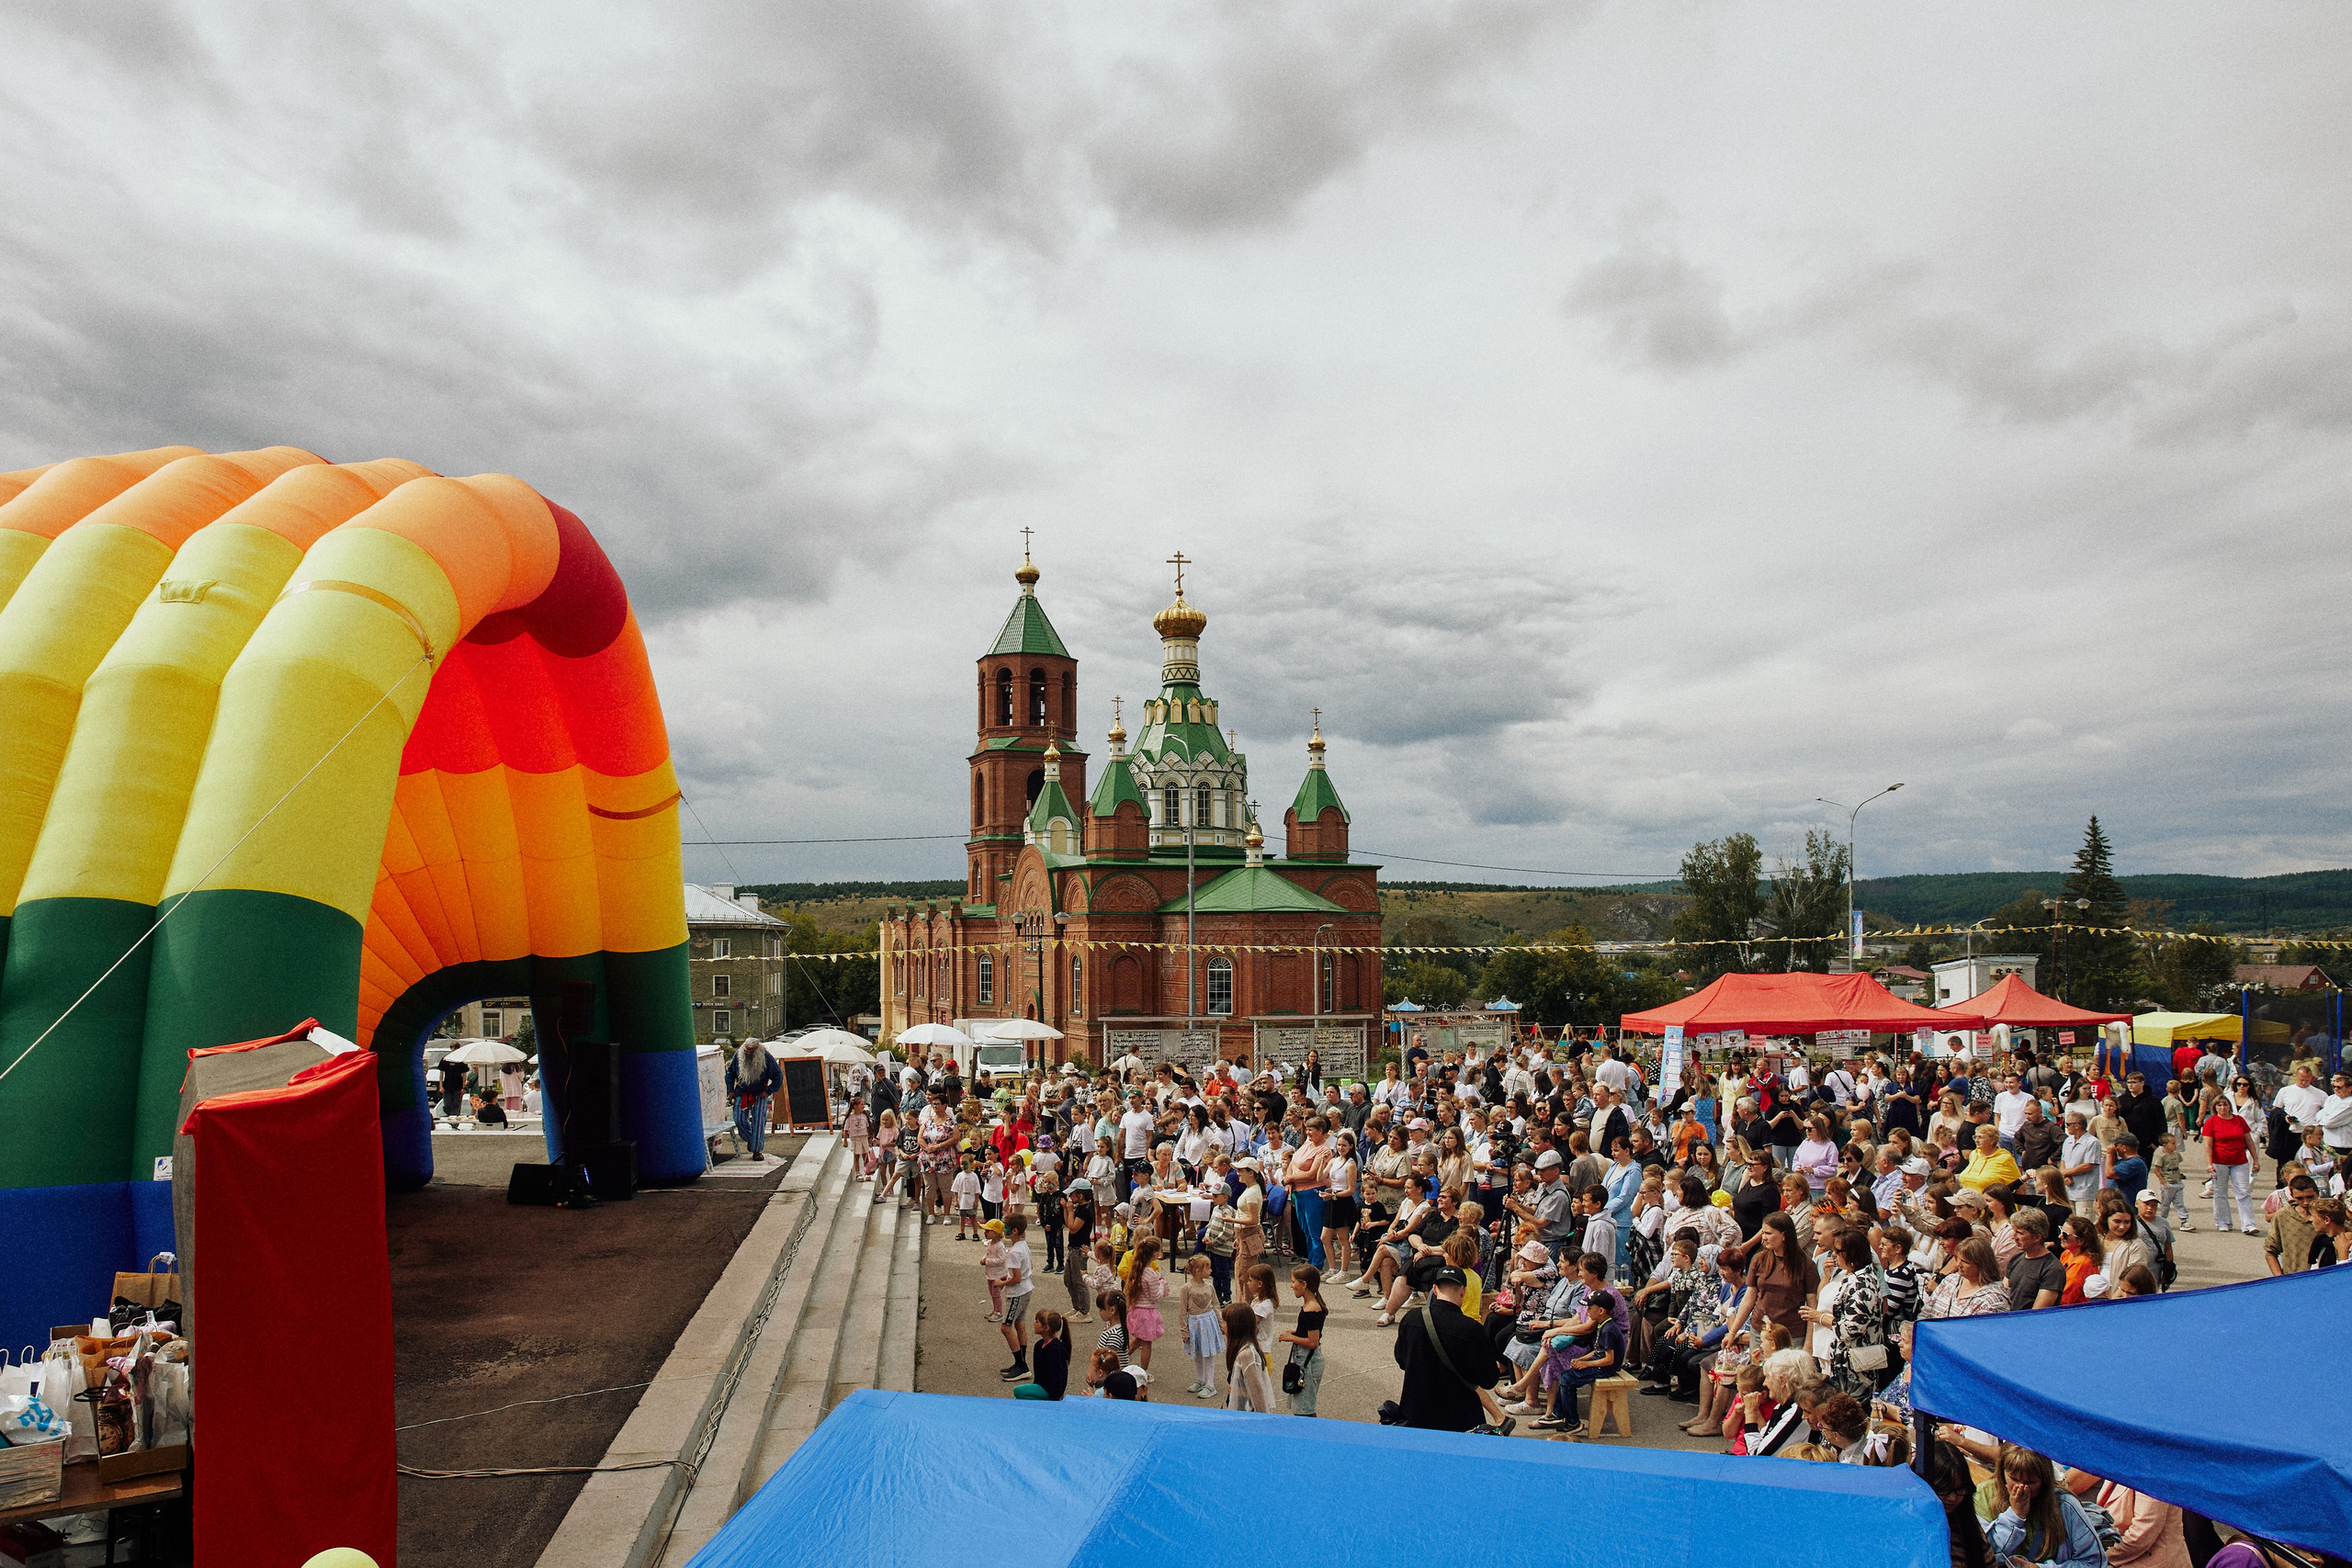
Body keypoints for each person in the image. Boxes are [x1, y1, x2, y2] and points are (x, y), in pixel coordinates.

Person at [1391, 1265, 1498, 1432]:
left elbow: (1401, 1360)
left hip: (1416, 1414)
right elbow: (1489, 1379)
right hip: (1460, 1421)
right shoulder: (1472, 1330)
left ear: (1435, 1289)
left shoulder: (1412, 1318)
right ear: (1463, 1291)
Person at [1984, 1444, 2107, 1568]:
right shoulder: (1984, 1496)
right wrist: (2015, 1516)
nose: (2021, 1487)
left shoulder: (2065, 1505)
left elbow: (2094, 1562)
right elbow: (1985, 1557)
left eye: (2030, 1482)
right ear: (2002, 1472)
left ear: (2044, 1480)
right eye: (2014, 1479)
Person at [2201, 1094, 2256, 1235]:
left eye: (2225, 1105)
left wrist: (2255, 1160)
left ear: (2229, 1106)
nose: (2222, 1108)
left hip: (2240, 1161)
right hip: (2219, 1162)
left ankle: (2249, 1224)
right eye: (2219, 1105)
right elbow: (2208, 1145)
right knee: (2220, 1193)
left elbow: (2249, 1141)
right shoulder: (2211, 1122)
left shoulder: (2239, 1120)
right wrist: (2209, 1164)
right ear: (2215, 1107)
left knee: (2243, 1192)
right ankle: (2223, 1222)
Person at [1279, 1264, 1329, 1416]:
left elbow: (1312, 1342)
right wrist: (1297, 1332)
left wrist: (1290, 1337)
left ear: (1304, 1284)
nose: (1291, 1285)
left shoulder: (1311, 1309)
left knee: (1305, 1408)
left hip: (1308, 1361)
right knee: (1301, 1405)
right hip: (1305, 1358)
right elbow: (1310, 1331)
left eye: (1294, 1281)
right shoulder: (1311, 1306)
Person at [725, 1039, 781, 1159]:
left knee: (759, 1121)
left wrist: (768, 1091)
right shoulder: (739, 1055)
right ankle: (753, 1140)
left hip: (760, 1093)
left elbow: (778, 1076)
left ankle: (756, 1151)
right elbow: (730, 1073)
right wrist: (731, 1090)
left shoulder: (766, 1057)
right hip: (742, 1092)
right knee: (739, 1119)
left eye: (751, 1052)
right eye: (747, 1052)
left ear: (757, 1049)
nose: (748, 1054)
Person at [996, 1215, 1035, 1382]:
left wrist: (1002, 1282)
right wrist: (1009, 1275)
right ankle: (1021, 1362)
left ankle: (1021, 1366)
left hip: (1017, 1293)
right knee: (1019, 1324)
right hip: (1026, 1289)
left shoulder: (1013, 1252)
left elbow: (1017, 1278)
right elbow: (1023, 1269)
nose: (1003, 1230)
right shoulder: (1022, 1245)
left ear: (1014, 1231)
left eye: (1006, 1227)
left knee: (1006, 1327)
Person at [1179, 1254, 1225, 1399]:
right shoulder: (1186, 1288)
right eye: (1207, 1268)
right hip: (1195, 1324)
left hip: (1209, 1323)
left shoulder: (1210, 1287)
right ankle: (1201, 1379)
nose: (1210, 1270)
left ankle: (1210, 1384)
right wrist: (1184, 1330)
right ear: (1198, 1271)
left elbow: (1216, 1306)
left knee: (1208, 1353)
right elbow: (1182, 1311)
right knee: (1198, 1352)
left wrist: (1221, 1323)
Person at [2002, 1209, 2064, 1311]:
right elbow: (2003, 1295)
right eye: (2014, 1232)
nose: (2014, 1237)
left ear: (2037, 1238)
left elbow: (2038, 1312)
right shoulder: (2016, 1259)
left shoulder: (2052, 1269)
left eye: (2020, 1233)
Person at [1222, 1302, 1277, 1412]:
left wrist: (1263, 1419)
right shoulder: (1239, 1350)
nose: (1223, 1327)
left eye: (1226, 1323)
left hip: (1245, 1413)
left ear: (1235, 1327)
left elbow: (1257, 1392)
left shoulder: (1247, 1355)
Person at [1012, 1309, 1069, 1401]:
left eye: (1037, 1322)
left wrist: (1054, 1398)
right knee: (1017, 1399)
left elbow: (1058, 1377)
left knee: (1018, 1391)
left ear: (1046, 1328)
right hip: (1041, 1386)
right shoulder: (1039, 1345)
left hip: (1050, 1391)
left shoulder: (1055, 1350)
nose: (1034, 1324)